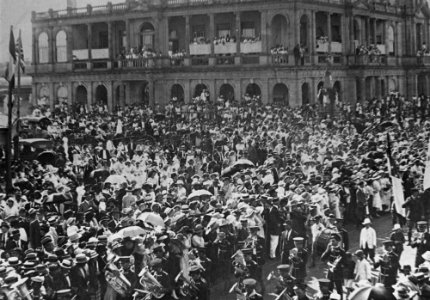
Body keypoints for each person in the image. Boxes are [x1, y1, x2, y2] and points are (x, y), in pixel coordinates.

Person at [321, 233, 346, 300]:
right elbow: (322, 259)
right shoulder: (330, 249)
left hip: (338, 273)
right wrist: (327, 250)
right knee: (329, 289)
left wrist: (339, 266)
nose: (331, 242)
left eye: (333, 241)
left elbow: (345, 264)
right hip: (330, 273)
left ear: (338, 241)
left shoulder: (341, 251)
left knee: (339, 290)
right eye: (331, 240)